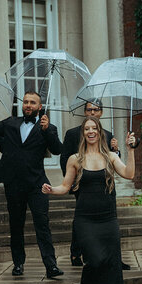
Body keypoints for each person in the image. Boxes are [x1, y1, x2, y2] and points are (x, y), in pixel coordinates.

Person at [43, 116, 137, 284]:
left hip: (108, 218)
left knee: (112, 264)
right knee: (95, 260)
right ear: (83, 133)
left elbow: (129, 174)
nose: (91, 131)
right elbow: (65, 187)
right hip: (85, 219)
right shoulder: (75, 159)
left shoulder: (111, 157)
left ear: (100, 131)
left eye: (94, 128)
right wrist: (51, 189)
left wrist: (130, 150)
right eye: (87, 128)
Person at [0, 90, 63, 279]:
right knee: (16, 225)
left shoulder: (48, 127)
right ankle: (18, 263)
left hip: (38, 184)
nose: (28, 105)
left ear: (39, 107)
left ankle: (51, 266)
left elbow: (58, 149)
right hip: (15, 184)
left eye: (32, 102)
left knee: (42, 224)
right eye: (26, 102)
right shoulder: (11, 122)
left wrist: (47, 131)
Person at [60, 100, 127, 270]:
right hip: (83, 185)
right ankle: (76, 252)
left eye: (96, 110)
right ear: (84, 112)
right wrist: (74, 183)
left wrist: (117, 150)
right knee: (83, 222)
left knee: (110, 224)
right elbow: (65, 159)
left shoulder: (108, 134)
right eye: (89, 109)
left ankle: (114, 258)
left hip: (105, 187)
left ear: (101, 113)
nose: (92, 112)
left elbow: (114, 161)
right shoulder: (72, 133)